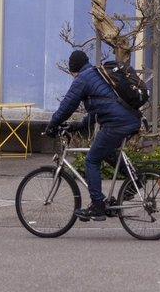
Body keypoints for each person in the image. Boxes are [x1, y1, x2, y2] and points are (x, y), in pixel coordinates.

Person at [43, 49, 141, 221]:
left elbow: (67, 106)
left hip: (117, 123)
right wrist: (78, 125)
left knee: (92, 160)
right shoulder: (96, 74)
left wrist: (53, 125)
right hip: (128, 119)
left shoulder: (83, 79)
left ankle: (97, 205)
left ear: (73, 67)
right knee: (108, 153)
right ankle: (136, 181)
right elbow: (101, 107)